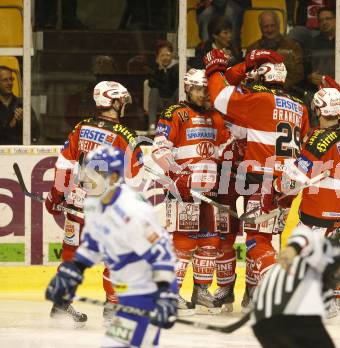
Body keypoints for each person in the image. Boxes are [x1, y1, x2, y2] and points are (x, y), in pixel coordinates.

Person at [203, 48, 310, 309]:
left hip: (264, 181)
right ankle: (253, 296)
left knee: (255, 240)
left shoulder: (260, 99)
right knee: (266, 237)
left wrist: (215, 69)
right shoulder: (300, 107)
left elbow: (220, 96)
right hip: (289, 184)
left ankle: (279, 286)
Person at [45, 145, 177, 347]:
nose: (87, 180)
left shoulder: (134, 209)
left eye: (96, 174)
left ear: (114, 178)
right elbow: (92, 245)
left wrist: (167, 293)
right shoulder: (95, 204)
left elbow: (162, 254)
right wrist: (71, 273)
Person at [44, 81, 144, 325]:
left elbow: (64, 165)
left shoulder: (81, 127)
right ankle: (112, 310)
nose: (124, 106)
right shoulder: (125, 136)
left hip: (78, 203)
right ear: (114, 102)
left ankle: (61, 304)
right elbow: (135, 182)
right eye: (122, 101)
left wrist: (56, 195)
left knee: (72, 254)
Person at [280, 87, 340, 315]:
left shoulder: (319, 140)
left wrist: (283, 180)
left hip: (321, 211)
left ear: (317, 109)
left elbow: (295, 180)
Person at [151, 68, 230, 313]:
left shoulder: (217, 116)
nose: (203, 94)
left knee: (211, 241)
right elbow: (159, 150)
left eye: (206, 89)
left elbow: (223, 148)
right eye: (198, 89)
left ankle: (202, 290)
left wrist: (231, 153)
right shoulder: (175, 113)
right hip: (182, 189)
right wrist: (177, 175)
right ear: (187, 88)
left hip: (211, 188)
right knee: (183, 243)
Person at [252, 230, 340, 348]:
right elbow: (303, 233)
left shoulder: (328, 282)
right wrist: (293, 248)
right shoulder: (326, 250)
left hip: (265, 323)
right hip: (275, 317)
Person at [247, 11, 304, 95]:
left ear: (278, 25)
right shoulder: (252, 49)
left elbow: (298, 74)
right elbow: (248, 75)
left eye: (272, 25)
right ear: (260, 28)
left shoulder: (293, 46)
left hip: (286, 92)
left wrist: (279, 87)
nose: (269, 30)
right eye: (266, 26)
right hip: (259, 93)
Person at [0, 66, 39, 145]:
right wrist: (11, 124)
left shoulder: (23, 104)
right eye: (5, 80)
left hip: (20, 154)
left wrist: (24, 121)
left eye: (11, 79)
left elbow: (36, 134)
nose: (10, 83)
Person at [146, 40, 179, 132]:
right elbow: (153, 84)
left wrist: (168, 71)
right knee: (154, 91)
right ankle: (152, 126)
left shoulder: (176, 69)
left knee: (179, 90)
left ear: (172, 55)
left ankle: (178, 125)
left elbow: (173, 87)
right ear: (157, 57)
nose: (165, 58)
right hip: (159, 102)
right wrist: (160, 70)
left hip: (172, 102)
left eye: (167, 55)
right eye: (162, 55)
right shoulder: (153, 69)